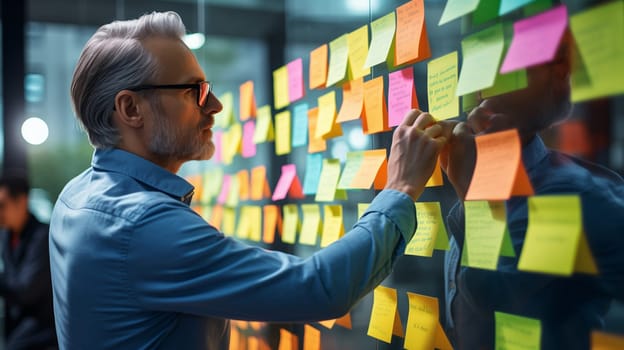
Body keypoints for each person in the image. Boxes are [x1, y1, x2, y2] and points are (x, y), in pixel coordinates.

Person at [49, 11, 449, 349]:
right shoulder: (143, 226)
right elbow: (318, 289)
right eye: (194, 91)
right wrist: (399, 188)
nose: (216, 106)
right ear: (130, 108)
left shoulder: (76, 196)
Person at [439, 28, 624, 349]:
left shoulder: (575, 193)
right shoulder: (481, 174)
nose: (479, 96)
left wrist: (473, 195)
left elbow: (497, 297)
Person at [0, 172, 57, 349]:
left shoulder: (42, 236)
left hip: (43, 329)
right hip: (18, 324)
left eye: (2, 205)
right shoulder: (6, 234)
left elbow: (26, 291)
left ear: (22, 201)